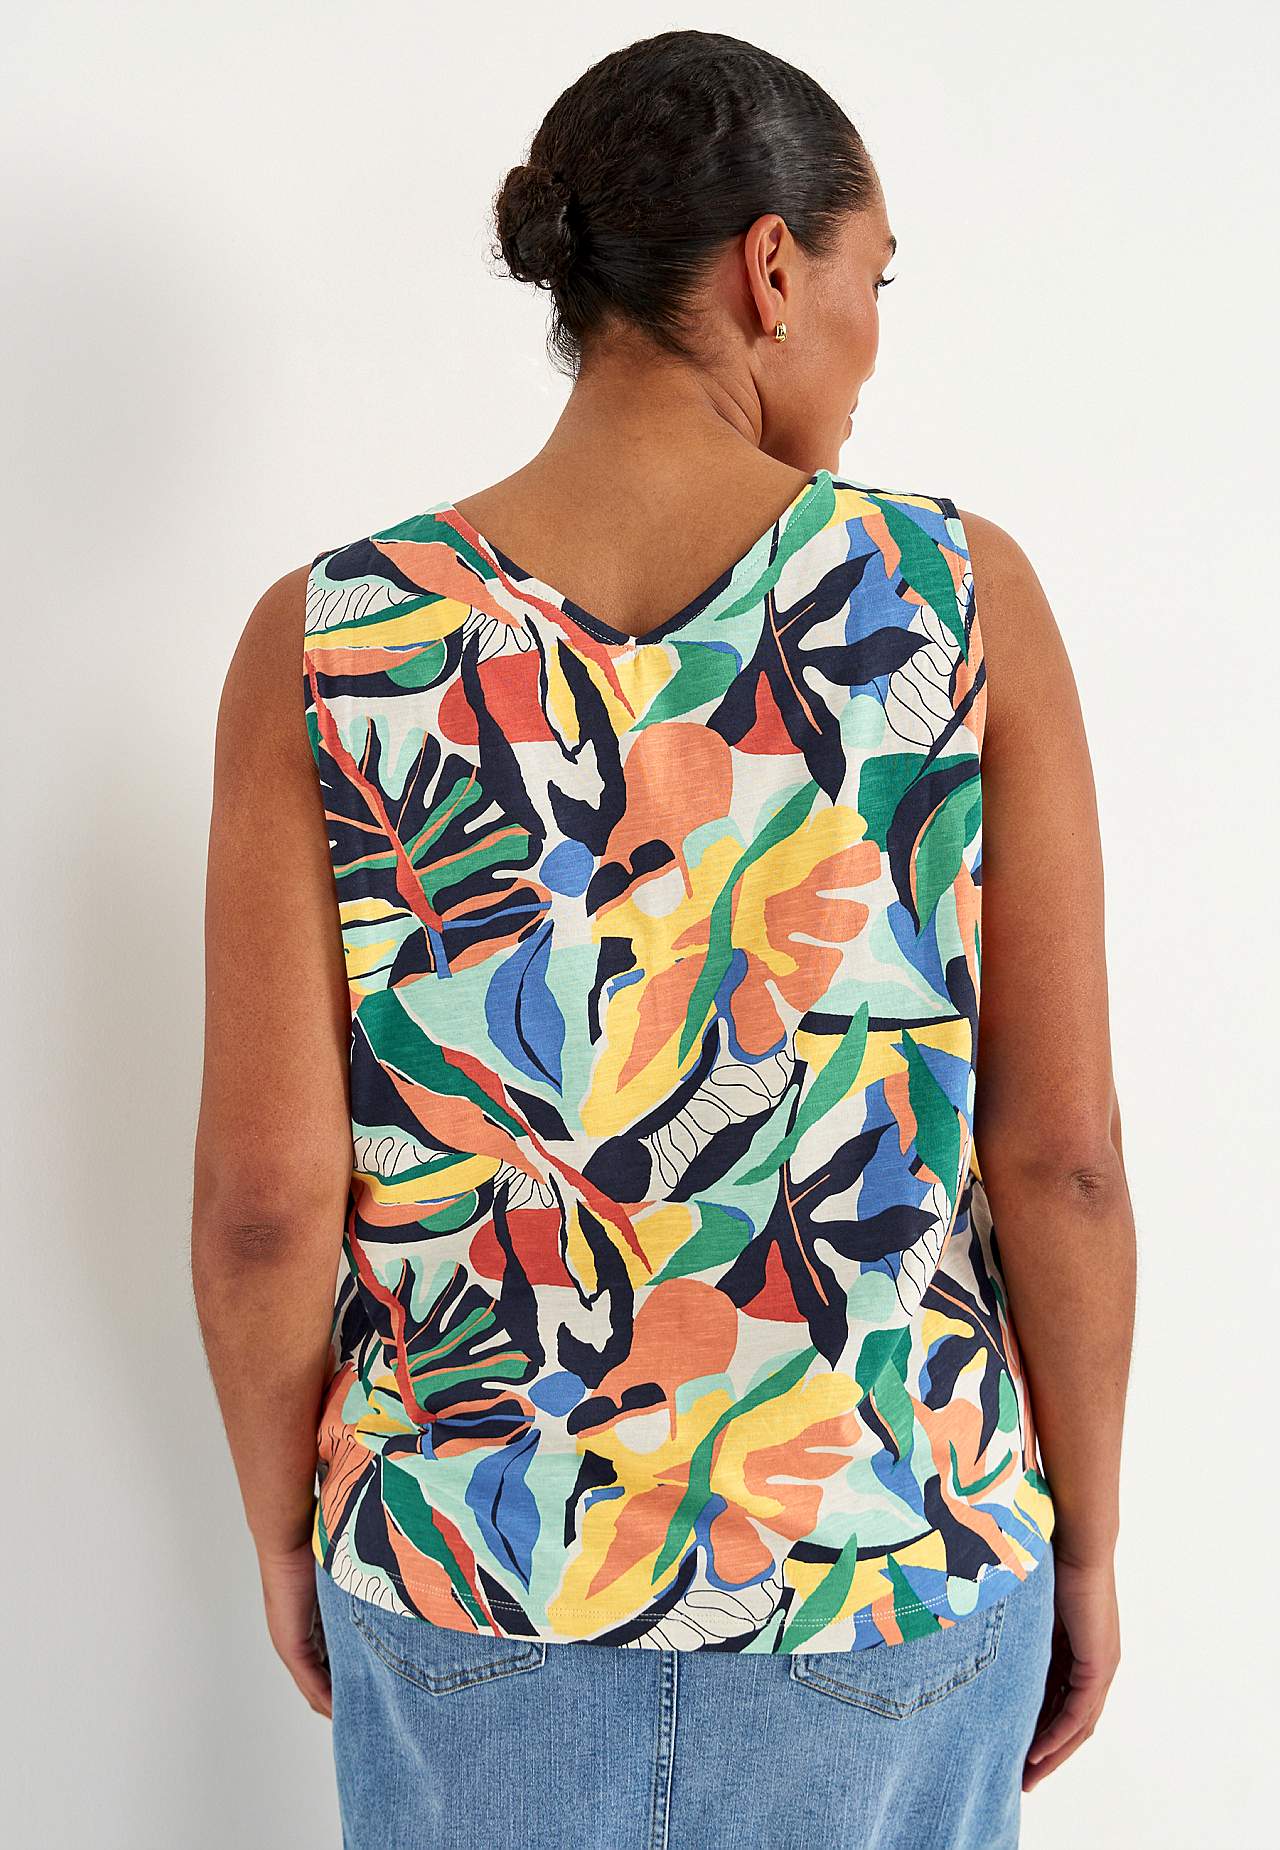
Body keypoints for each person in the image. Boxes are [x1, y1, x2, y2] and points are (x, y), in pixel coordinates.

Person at [192, 27, 1136, 1850]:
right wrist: (1084, 1540)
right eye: (872, 283)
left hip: (469, 1572)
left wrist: (284, 1526)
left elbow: (260, 1201)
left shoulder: (329, 636)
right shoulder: (958, 600)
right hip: (887, 1554)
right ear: (771, 270)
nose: (871, 343)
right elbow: (1065, 1159)